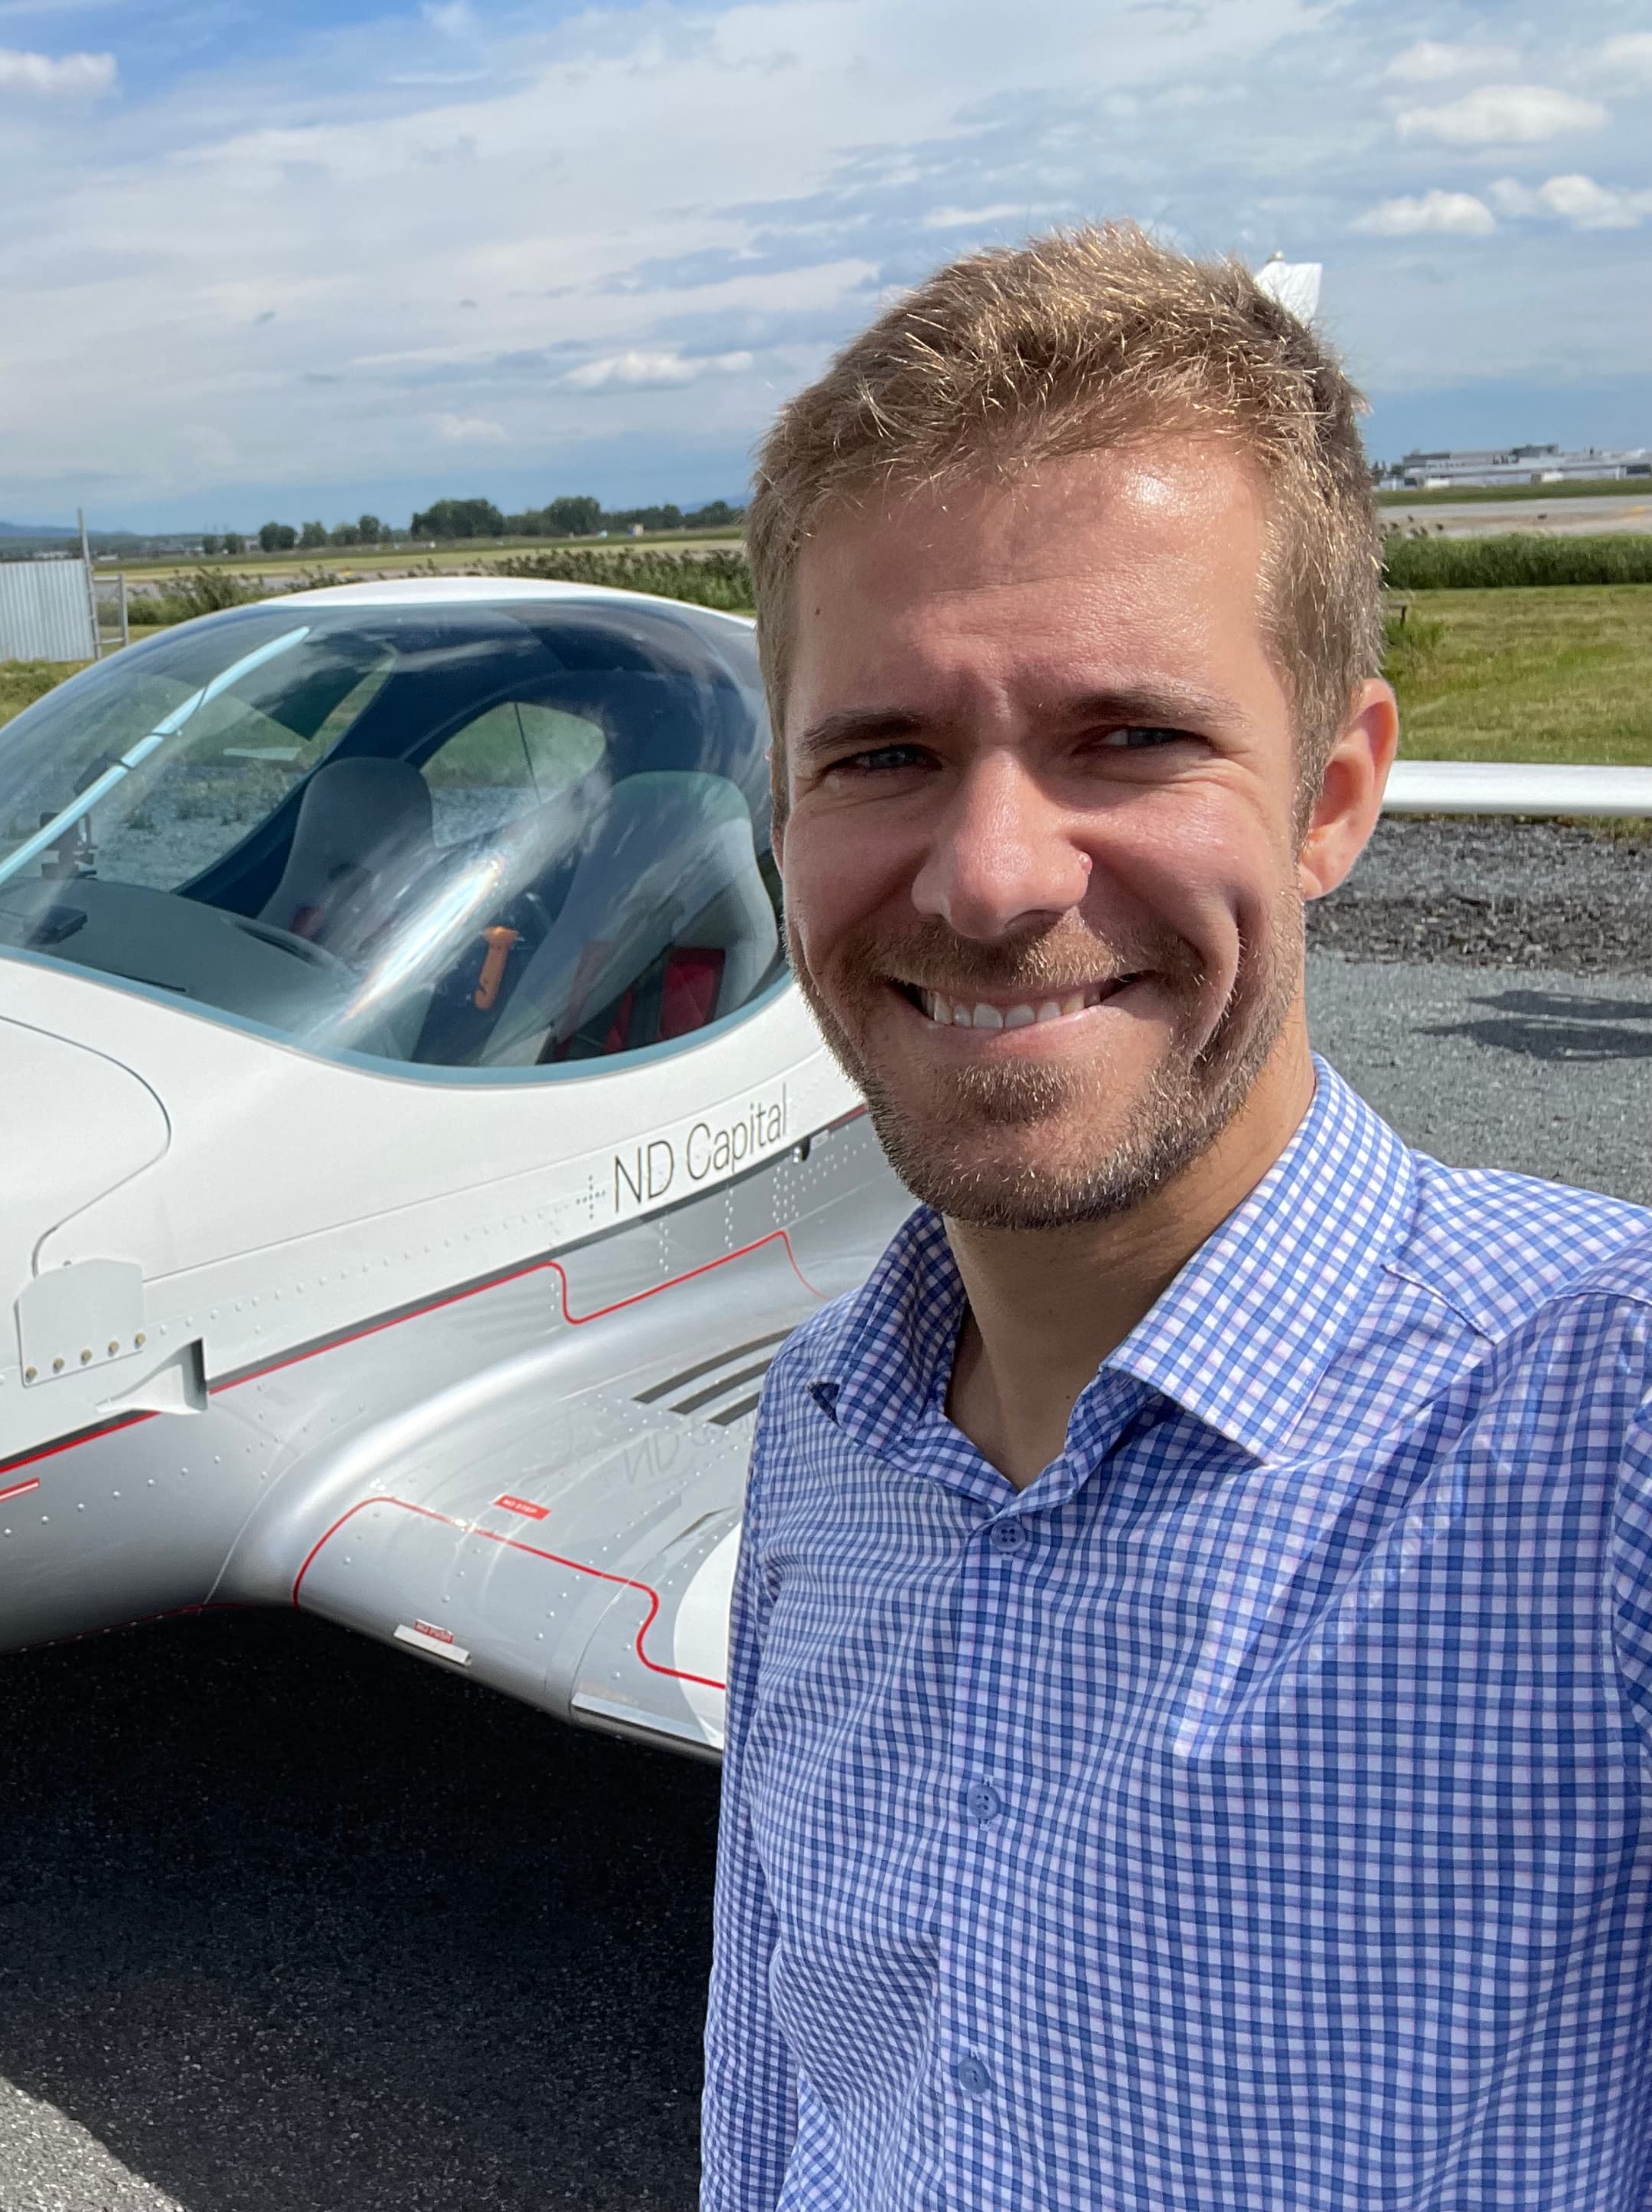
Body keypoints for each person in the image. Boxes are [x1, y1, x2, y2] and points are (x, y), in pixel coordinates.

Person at [703, 223, 1652, 2209]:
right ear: (779, 824)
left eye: (1128, 736)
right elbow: (780, 2076)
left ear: (1333, 789)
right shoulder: (820, 1430)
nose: (987, 875)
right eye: (883, 753)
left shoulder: (1606, 1436)